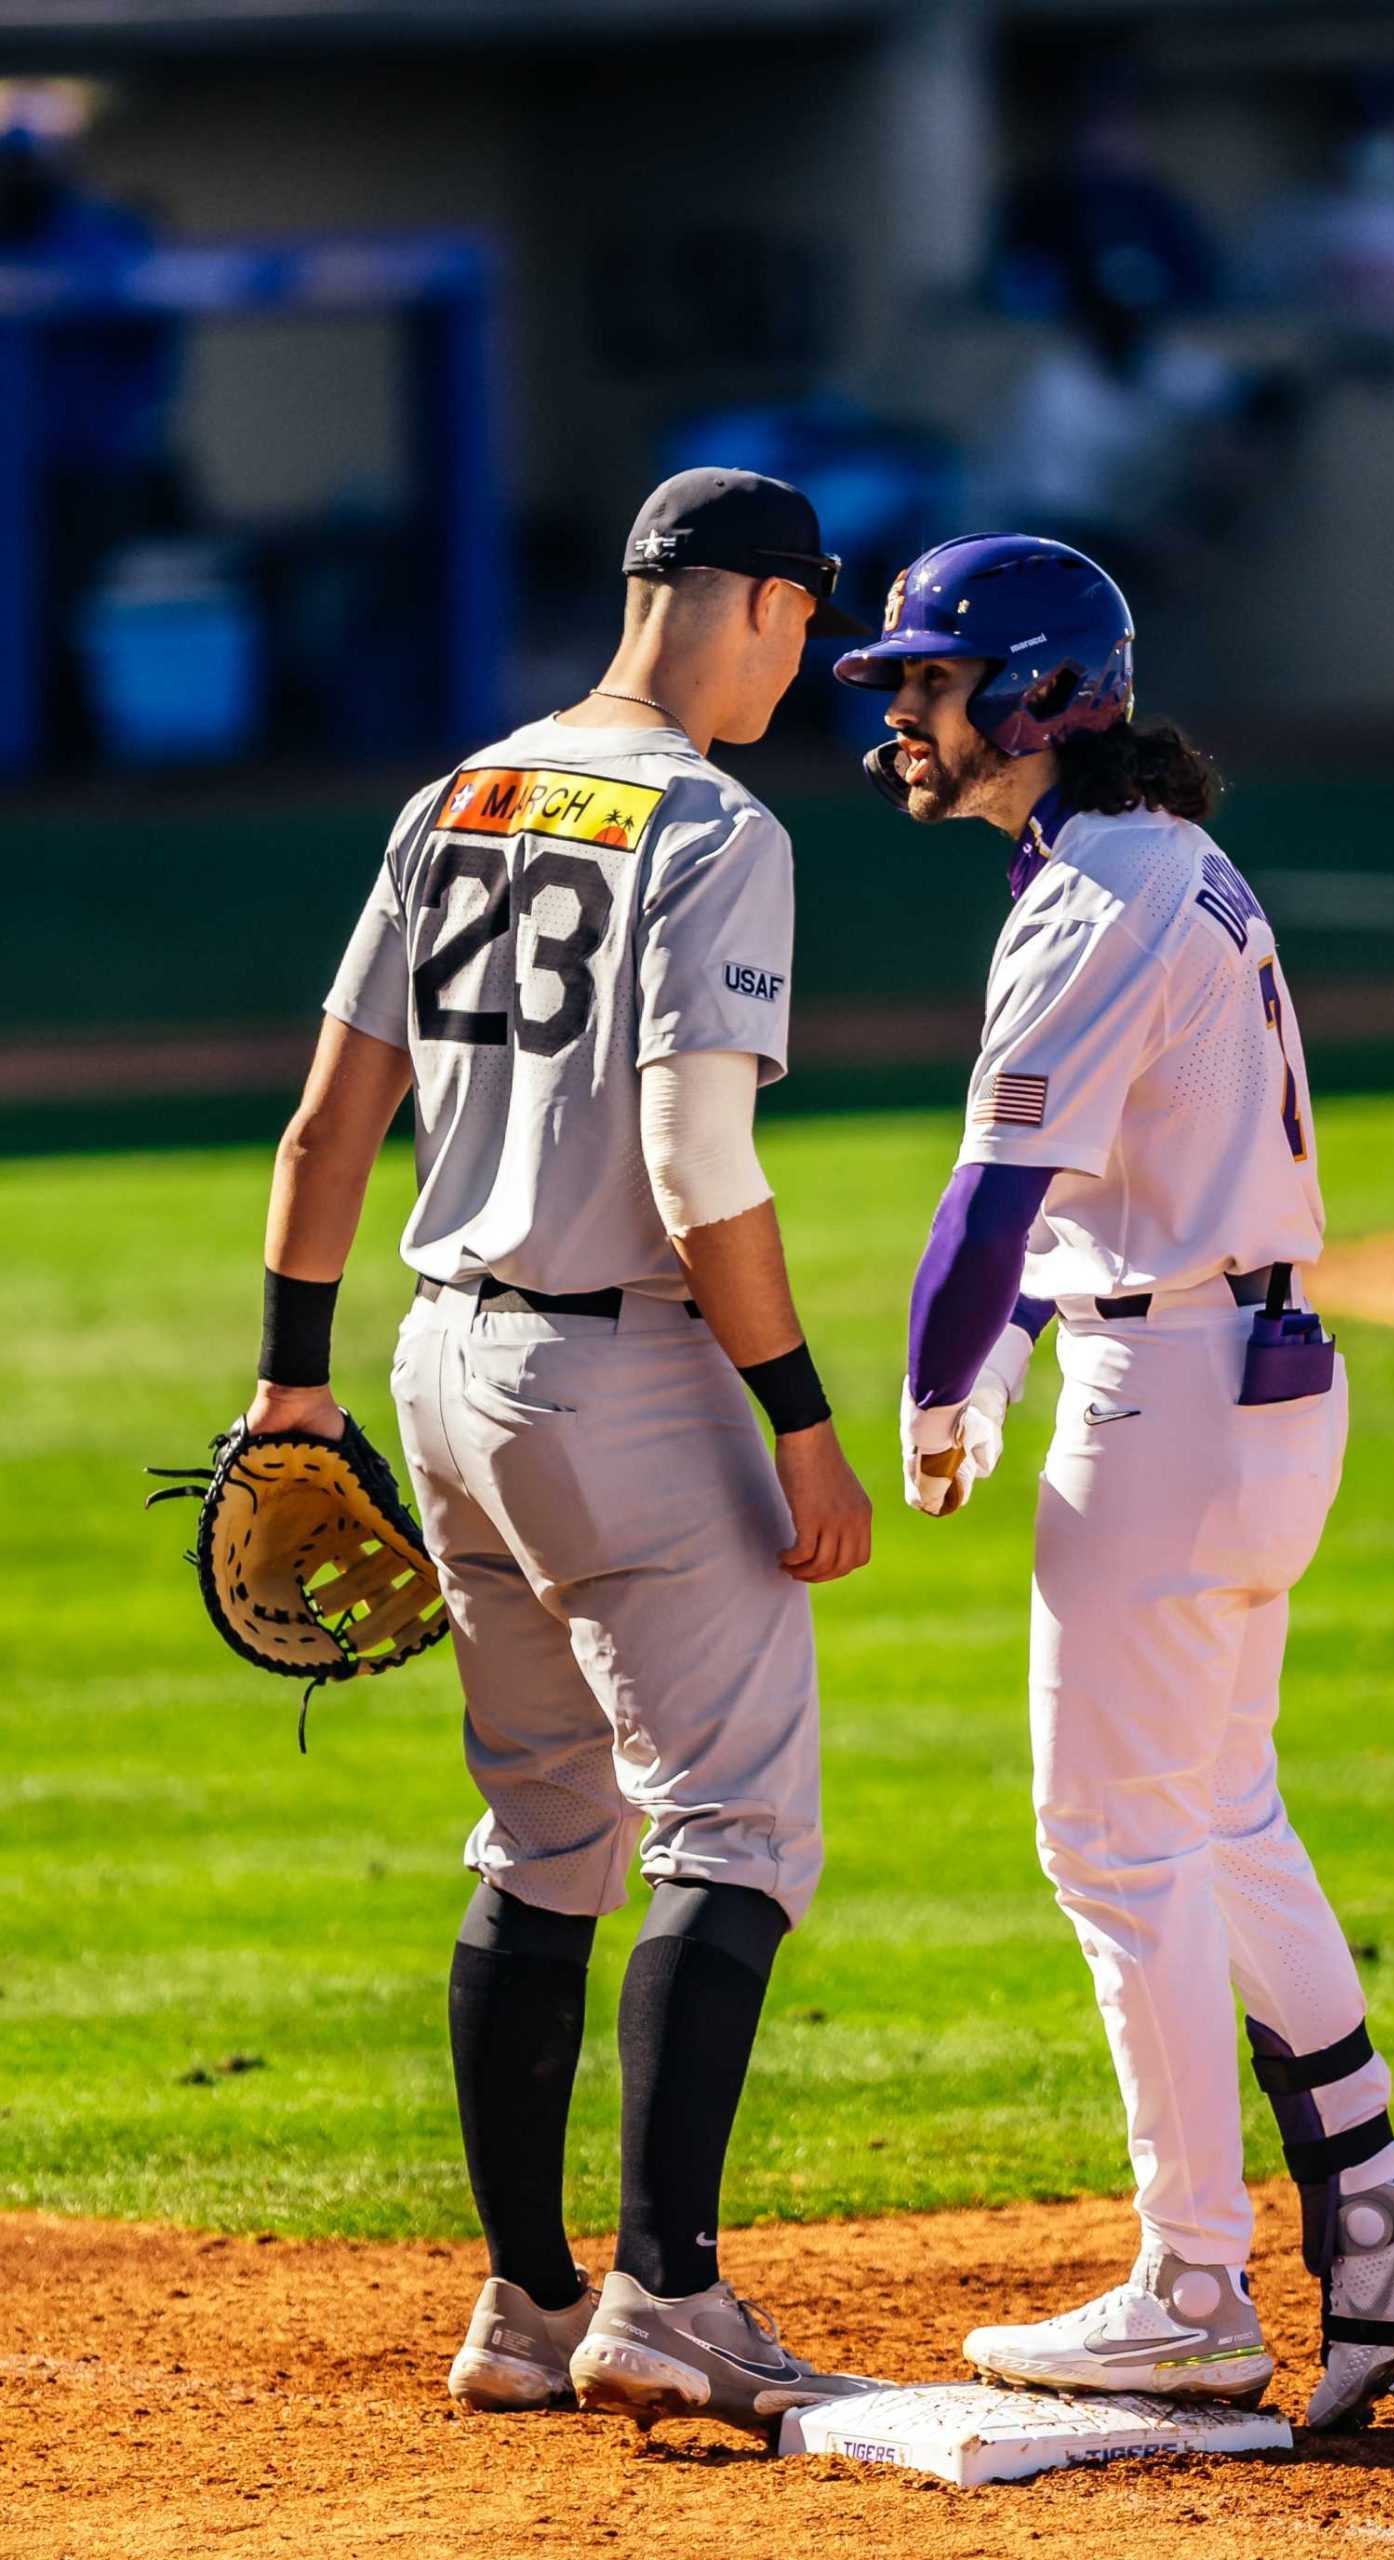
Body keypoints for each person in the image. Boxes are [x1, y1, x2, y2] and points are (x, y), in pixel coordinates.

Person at [833, 535, 1394, 2431]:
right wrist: (1019, 1357)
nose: (899, 712)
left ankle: (1194, 2284)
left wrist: (939, 1379)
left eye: (930, 682)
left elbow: (993, 1197)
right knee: (1215, 1809)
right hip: (1246, 1379)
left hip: (1178, 1399)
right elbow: (1109, 1181)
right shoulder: (1151, 864)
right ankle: (1372, 2196)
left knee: (1114, 1843)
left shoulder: (1098, 888)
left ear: (1039, 702)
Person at [247, 467, 880, 2439]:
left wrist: (292, 1384)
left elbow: (326, 1132)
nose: (806, 661)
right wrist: (801, 1418)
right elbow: (701, 1167)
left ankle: (526, 2299)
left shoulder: (461, 792)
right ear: (755, 603)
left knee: (541, 1835)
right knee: (733, 1827)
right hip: (629, 1388)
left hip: (439, 1374)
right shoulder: (715, 825)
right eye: (806, 624)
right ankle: (669, 2291)